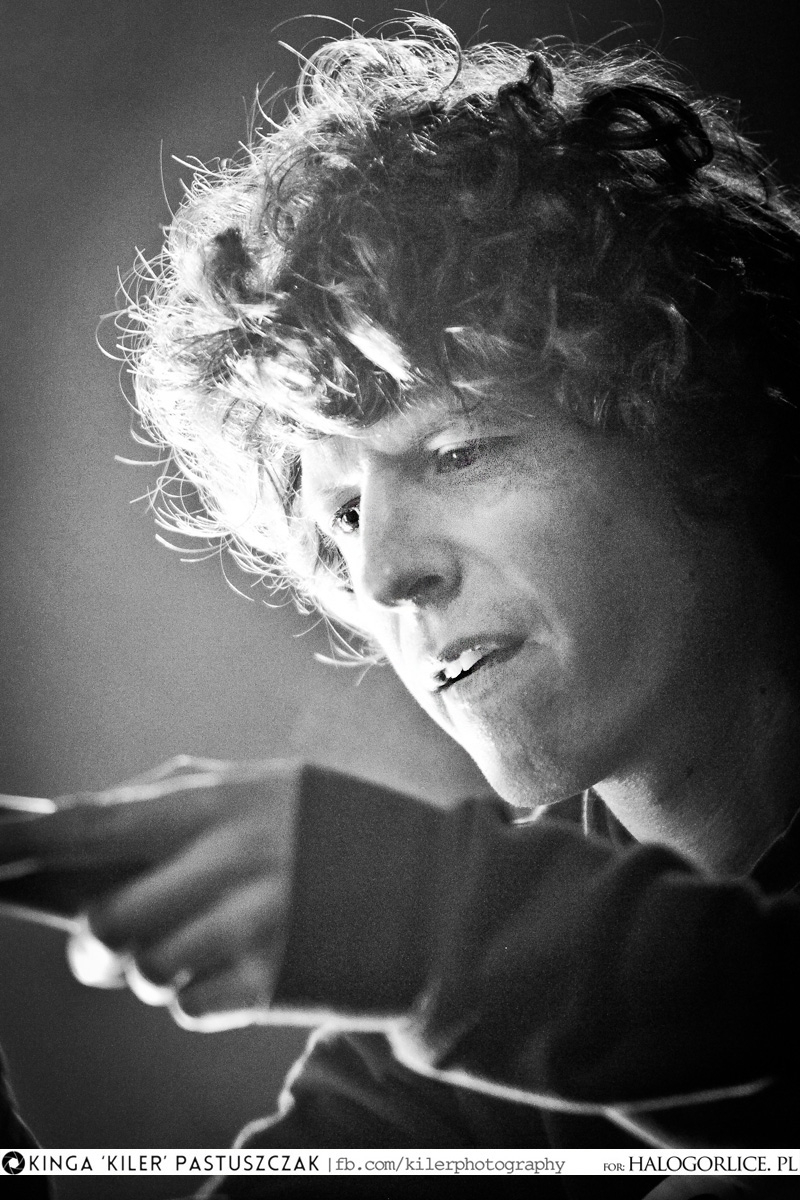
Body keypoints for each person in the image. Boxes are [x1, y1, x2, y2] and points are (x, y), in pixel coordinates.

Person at [1, 16, 800, 1196]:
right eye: (339, 517)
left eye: (457, 452)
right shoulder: (439, 1067)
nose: (380, 574)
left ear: (700, 412)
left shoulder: (462, 964)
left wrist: (424, 923)